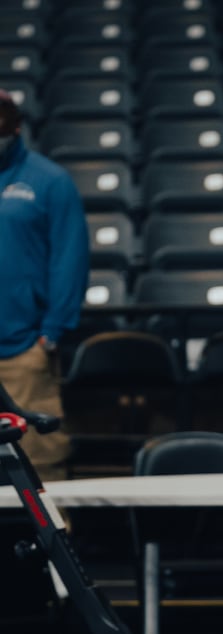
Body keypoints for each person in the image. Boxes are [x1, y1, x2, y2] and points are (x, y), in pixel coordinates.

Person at [0, 89, 89, 481]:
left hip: (23, 351)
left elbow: (70, 262)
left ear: (15, 126)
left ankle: (57, 541)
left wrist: (49, 335)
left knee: (39, 468)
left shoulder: (49, 181)